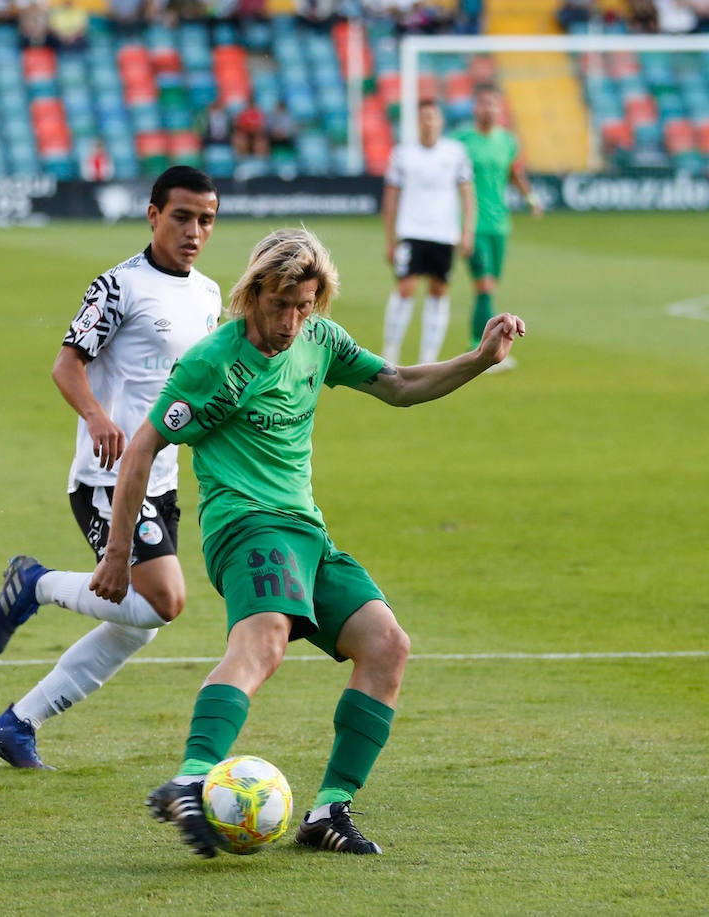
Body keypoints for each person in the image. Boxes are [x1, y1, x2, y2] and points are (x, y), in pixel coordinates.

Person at [90, 227, 526, 857]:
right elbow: (142, 448)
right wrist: (116, 555)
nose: (291, 320)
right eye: (280, 305)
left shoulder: (320, 339)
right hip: (246, 528)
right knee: (264, 639)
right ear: (253, 293)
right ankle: (191, 778)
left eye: (304, 305)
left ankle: (328, 811)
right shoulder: (213, 362)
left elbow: (399, 384)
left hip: (307, 534)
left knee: (387, 646)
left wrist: (480, 359)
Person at [0, 166, 223, 770]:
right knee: (164, 601)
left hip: (160, 480)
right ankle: (36, 582)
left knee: (138, 625)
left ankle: (17, 724)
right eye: (182, 217)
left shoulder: (210, 295)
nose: (194, 231)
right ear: (153, 215)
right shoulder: (119, 287)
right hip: (106, 477)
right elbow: (67, 365)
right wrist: (96, 417)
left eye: (206, 220)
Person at [452, 83, 541, 372]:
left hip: (500, 225)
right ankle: (481, 350)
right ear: (474, 108)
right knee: (484, 285)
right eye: (483, 103)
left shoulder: (508, 141)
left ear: (500, 109)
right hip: (470, 223)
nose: (488, 108)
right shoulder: (460, 140)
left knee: (489, 287)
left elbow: (515, 173)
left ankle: (478, 348)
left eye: (493, 103)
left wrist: (530, 199)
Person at [380, 97, 474, 365]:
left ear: (440, 121)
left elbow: (467, 194)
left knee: (438, 290)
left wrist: (467, 231)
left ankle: (428, 357)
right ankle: (390, 352)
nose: (428, 122)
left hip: (444, 233)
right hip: (411, 230)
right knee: (405, 287)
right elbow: (390, 198)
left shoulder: (455, 152)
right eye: (424, 118)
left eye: (433, 117)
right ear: (417, 122)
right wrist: (390, 239)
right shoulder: (402, 154)